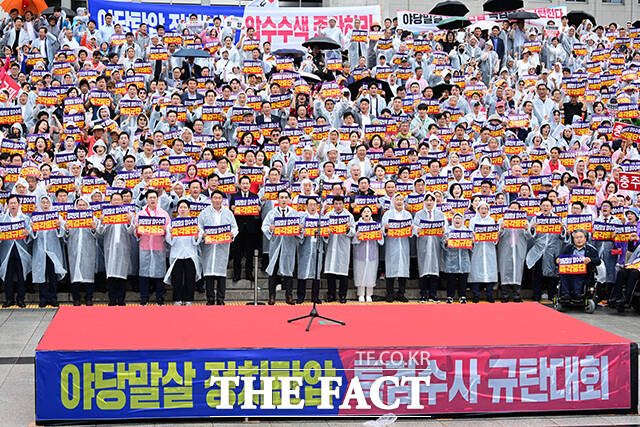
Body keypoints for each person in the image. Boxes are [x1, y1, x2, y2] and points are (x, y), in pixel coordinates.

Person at [198, 190, 238, 305]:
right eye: (215, 198)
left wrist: (232, 233)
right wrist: (202, 234)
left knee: (221, 274)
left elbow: (235, 227)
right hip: (208, 247)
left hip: (222, 247)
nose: (217, 200)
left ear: (222, 200)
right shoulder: (204, 212)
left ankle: (221, 298)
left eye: (219, 198)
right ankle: (210, 298)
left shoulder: (228, 213)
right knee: (209, 274)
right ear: (211, 199)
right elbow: (199, 226)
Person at [97, 192, 135, 306]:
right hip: (110, 248)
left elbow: (131, 231)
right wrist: (102, 222)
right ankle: (112, 299)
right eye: (115, 199)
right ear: (111, 201)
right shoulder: (106, 214)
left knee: (122, 275)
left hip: (123, 248)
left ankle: (121, 300)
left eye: (119, 199)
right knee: (111, 275)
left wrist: (129, 222)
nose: (117, 201)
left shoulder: (128, 214)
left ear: (122, 201)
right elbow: (100, 232)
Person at [135, 190, 171, 305]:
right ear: (146, 199)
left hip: (158, 246)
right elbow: (136, 233)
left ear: (157, 199)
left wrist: (166, 230)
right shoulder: (141, 214)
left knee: (159, 273)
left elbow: (169, 232)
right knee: (144, 273)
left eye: (154, 197)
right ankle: (144, 298)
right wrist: (137, 228)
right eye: (150, 197)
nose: (152, 200)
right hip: (145, 247)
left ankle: (159, 297)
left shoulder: (163, 214)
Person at [261, 190, 298, 305]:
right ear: (277, 199)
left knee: (288, 271)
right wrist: (270, 229)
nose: (283, 200)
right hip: (276, 245)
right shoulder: (272, 213)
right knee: (273, 270)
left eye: (286, 197)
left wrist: (299, 228)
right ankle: (271, 296)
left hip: (289, 245)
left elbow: (299, 230)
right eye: (281, 197)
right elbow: (264, 226)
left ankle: (289, 295)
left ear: (289, 200)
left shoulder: (294, 213)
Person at [31, 195, 66, 308]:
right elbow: (31, 234)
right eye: (43, 202)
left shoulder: (56, 216)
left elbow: (63, 232)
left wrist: (58, 227)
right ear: (39, 204)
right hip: (40, 250)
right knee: (41, 273)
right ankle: (43, 298)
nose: (45, 204)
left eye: (47, 202)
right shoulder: (36, 217)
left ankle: (53, 297)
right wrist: (32, 229)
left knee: (52, 275)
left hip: (53, 250)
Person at [165, 200, 202, 306]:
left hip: (190, 254)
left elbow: (197, 241)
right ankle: (177, 299)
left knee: (190, 278)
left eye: (185, 207)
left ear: (189, 209)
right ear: (177, 209)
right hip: (177, 254)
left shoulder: (194, 222)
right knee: (177, 278)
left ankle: (189, 299)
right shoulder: (172, 223)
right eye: (180, 207)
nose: (182, 209)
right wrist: (171, 234)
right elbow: (169, 241)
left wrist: (196, 234)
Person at [65, 196, 98, 306]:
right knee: (75, 274)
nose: (82, 207)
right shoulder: (70, 218)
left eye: (84, 205)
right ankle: (76, 298)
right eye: (79, 205)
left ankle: (89, 297)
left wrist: (94, 228)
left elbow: (98, 234)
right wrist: (67, 230)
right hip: (74, 249)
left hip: (88, 250)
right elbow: (66, 235)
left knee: (89, 273)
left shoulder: (93, 218)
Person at [497, 201, 531, 302]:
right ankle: (505, 295)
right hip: (505, 248)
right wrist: (501, 229)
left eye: (516, 208)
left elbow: (529, 237)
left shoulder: (524, 221)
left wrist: (527, 229)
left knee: (518, 270)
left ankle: (516, 295)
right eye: (511, 208)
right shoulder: (502, 220)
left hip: (518, 248)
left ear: (520, 210)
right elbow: (496, 236)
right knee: (504, 270)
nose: (513, 210)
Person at [413, 193, 445, 303]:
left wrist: (444, 229)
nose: (429, 202)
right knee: (423, 269)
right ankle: (423, 294)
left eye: (431, 200)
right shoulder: (419, 214)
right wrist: (417, 229)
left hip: (436, 244)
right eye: (427, 200)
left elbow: (445, 227)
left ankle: (433, 295)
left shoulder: (440, 214)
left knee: (434, 270)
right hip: (423, 244)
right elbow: (414, 227)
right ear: (424, 202)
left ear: (434, 202)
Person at [324, 195, 356, 303]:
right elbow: (323, 231)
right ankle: (331, 295)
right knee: (330, 272)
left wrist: (348, 229)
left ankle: (343, 295)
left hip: (343, 247)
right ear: (333, 205)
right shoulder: (328, 215)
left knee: (343, 272)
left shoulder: (349, 216)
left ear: (343, 204)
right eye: (336, 204)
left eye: (340, 204)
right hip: (331, 245)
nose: (338, 206)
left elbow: (353, 232)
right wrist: (326, 232)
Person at [1, 195, 31, 308]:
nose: (13, 205)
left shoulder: (25, 218)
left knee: (21, 275)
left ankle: (20, 299)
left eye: (15, 203)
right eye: (11, 203)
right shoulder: (2, 219)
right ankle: (9, 299)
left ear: (19, 205)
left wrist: (28, 233)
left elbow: (31, 233)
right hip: (7, 250)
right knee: (8, 275)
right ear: (7, 205)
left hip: (21, 249)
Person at [381, 193, 412, 302]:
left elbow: (411, 232)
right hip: (392, 245)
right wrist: (385, 228)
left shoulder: (407, 214)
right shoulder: (387, 214)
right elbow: (382, 230)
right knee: (390, 269)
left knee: (403, 269)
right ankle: (389, 293)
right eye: (397, 199)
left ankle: (401, 293)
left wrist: (411, 228)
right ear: (393, 201)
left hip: (403, 244)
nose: (399, 202)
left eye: (401, 200)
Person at [229, 175, 260, 282]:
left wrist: (258, 208)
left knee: (249, 253)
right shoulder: (234, 196)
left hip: (251, 229)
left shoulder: (254, 196)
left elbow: (257, 212)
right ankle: (236, 274)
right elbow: (230, 210)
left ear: (250, 185)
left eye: (247, 183)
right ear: (239, 185)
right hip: (238, 228)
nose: (245, 185)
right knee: (237, 252)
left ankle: (249, 274)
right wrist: (232, 208)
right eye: (243, 183)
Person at [557, 229, 601, 302]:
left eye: (581, 237)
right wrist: (557, 260)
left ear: (585, 238)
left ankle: (577, 293)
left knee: (578, 273)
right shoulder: (568, 248)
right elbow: (559, 257)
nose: (579, 239)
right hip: (569, 271)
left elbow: (598, 261)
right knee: (562, 273)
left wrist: (590, 259)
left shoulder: (591, 249)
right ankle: (566, 294)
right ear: (573, 239)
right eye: (576, 238)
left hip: (585, 273)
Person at [468, 201, 498, 302]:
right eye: (482, 208)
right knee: (476, 272)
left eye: (486, 209)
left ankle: (489, 294)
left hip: (489, 249)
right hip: (477, 249)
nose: (484, 210)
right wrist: (473, 236)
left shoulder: (491, 220)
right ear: (478, 210)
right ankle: (476, 295)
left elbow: (495, 237)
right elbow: (470, 235)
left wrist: (495, 235)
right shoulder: (473, 220)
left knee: (489, 272)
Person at [353, 206, 384, 302]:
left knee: (371, 273)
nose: (366, 213)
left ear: (371, 213)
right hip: (360, 254)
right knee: (360, 273)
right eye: (364, 211)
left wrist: (380, 234)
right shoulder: (357, 225)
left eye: (368, 211)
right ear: (361, 214)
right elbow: (353, 241)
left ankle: (369, 294)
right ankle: (361, 294)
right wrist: (356, 236)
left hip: (372, 254)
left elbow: (381, 242)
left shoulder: (376, 225)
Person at [297, 197, 324, 304]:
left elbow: (326, 235)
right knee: (302, 271)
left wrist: (326, 232)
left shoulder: (321, 218)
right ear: (306, 206)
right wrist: (301, 230)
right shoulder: (302, 218)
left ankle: (315, 297)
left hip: (317, 246)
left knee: (316, 271)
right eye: (310, 205)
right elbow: (297, 233)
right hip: (305, 247)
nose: (313, 207)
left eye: (314, 205)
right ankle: (300, 296)